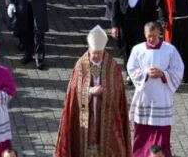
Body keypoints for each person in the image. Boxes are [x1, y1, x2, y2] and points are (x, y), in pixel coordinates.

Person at [55, 25, 132, 156]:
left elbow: (118, 94)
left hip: (107, 121)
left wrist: (105, 92)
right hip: (84, 120)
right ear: (89, 50)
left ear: (104, 51)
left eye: (99, 53)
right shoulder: (81, 65)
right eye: (93, 53)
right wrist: (90, 92)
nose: (96, 56)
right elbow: (73, 93)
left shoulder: (113, 67)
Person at [127, 22, 184, 157]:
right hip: (144, 96)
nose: (151, 39)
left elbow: (178, 69)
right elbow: (131, 68)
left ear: (159, 33)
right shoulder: (137, 50)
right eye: (148, 36)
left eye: (153, 36)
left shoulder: (170, 50)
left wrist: (163, 74)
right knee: (142, 132)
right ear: (144, 34)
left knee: (161, 133)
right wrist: (146, 73)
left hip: (161, 96)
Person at [110, 0, 158, 77]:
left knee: (142, 47)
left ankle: (142, 72)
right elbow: (115, 3)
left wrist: (154, 25)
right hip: (126, 20)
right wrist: (114, 25)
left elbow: (153, 5)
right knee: (127, 47)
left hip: (142, 20)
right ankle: (129, 73)